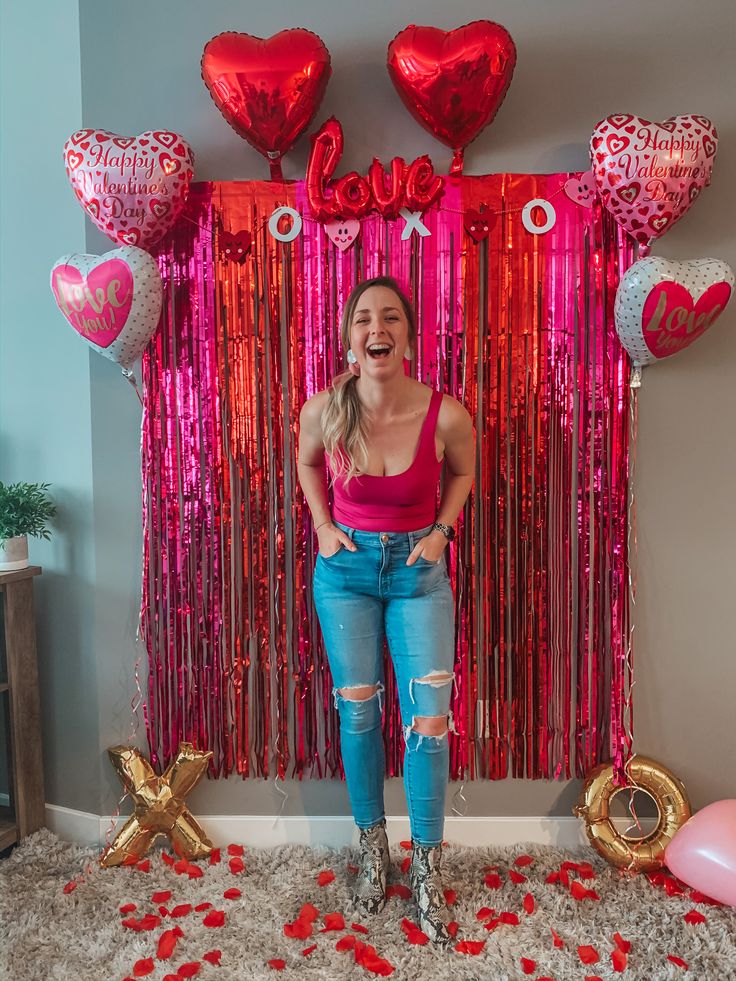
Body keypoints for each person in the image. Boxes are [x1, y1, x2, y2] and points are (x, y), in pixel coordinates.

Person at [296, 275, 475, 944]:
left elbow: (463, 472)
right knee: (361, 711)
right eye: (366, 318)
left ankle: (426, 865)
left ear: (407, 333)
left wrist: (442, 531)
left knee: (429, 719)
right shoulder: (324, 409)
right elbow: (307, 462)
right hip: (343, 573)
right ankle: (374, 848)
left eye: (391, 317)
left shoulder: (446, 414)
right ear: (350, 337)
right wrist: (321, 523)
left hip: (418, 574)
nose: (379, 328)